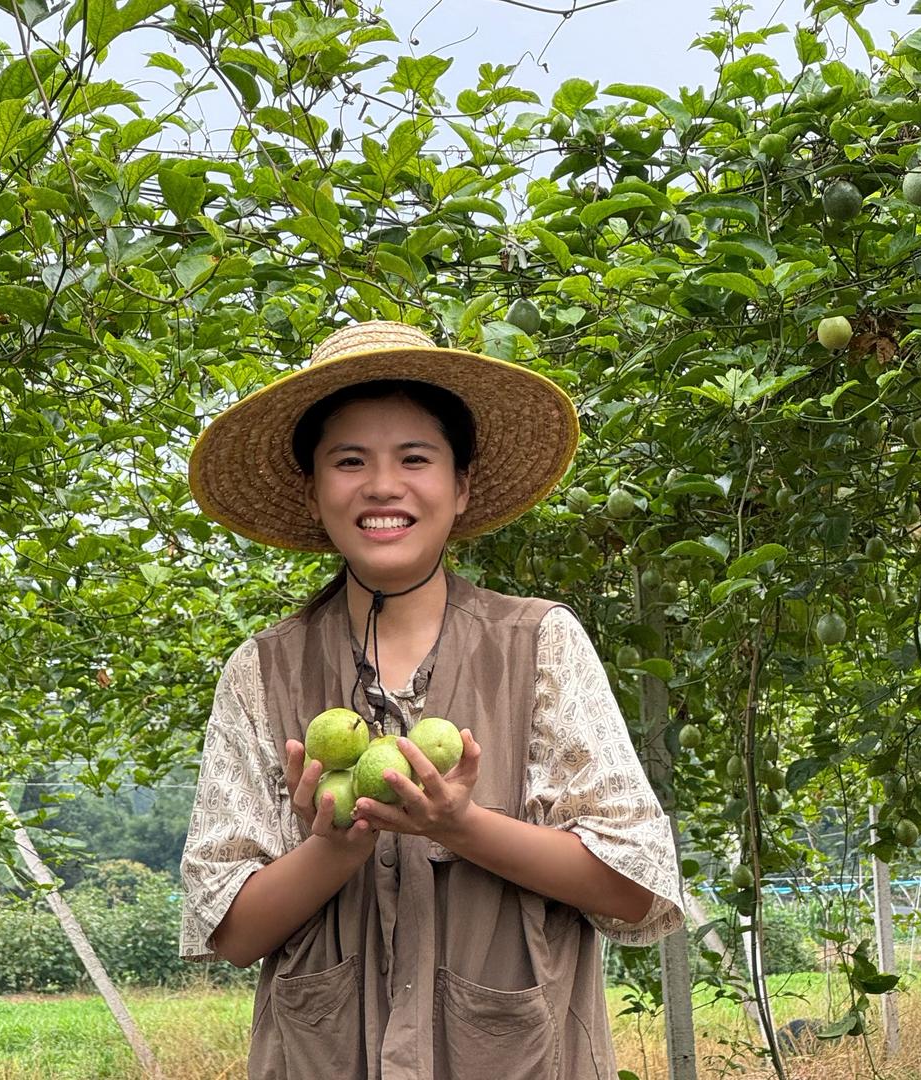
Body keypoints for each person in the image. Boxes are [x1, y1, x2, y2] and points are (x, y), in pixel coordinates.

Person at [179, 320, 684, 1080]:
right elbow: (230, 931)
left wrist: (464, 825)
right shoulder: (262, 670)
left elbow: (637, 891)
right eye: (349, 461)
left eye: (415, 458)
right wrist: (333, 847)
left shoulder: (541, 642)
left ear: (462, 485)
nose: (383, 486)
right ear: (314, 491)